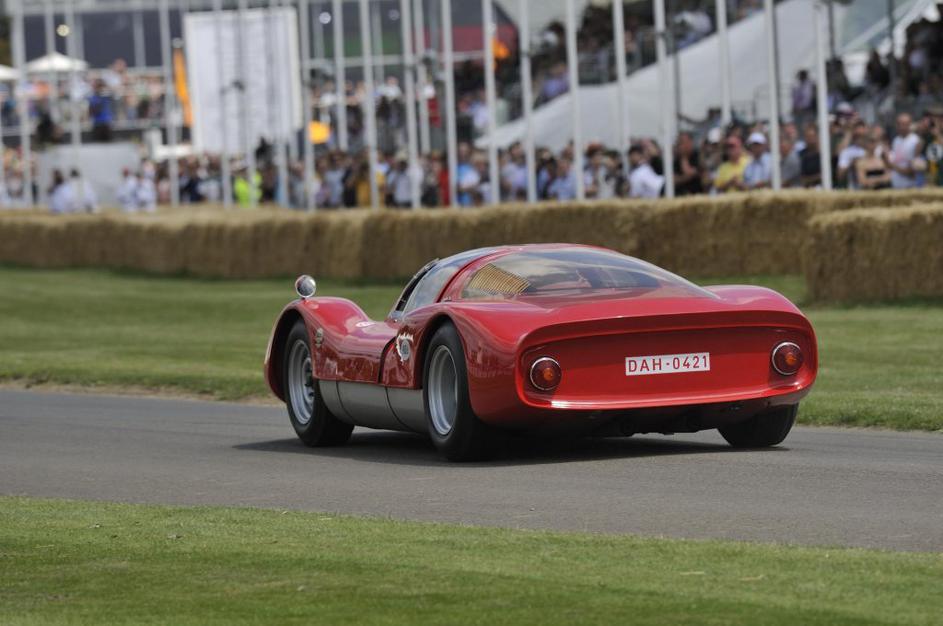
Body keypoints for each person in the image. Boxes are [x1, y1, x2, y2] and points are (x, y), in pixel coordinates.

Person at [886, 113, 923, 189]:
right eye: (899, 124)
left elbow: (911, 170)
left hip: (910, 186)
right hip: (896, 185)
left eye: (905, 124)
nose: (902, 127)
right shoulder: (896, 140)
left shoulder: (916, 141)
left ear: (910, 125)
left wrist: (891, 165)